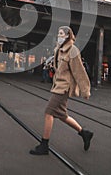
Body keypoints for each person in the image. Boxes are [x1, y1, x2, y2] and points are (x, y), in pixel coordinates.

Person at [30, 26, 93, 155]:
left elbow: (79, 72)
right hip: (57, 85)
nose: (58, 36)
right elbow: (57, 67)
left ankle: (44, 145)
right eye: (58, 33)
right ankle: (84, 133)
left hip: (64, 88)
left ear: (67, 35)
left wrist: (85, 90)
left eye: (61, 34)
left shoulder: (73, 51)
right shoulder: (58, 50)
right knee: (62, 115)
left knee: (49, 113)